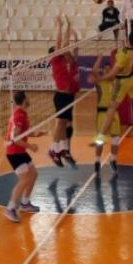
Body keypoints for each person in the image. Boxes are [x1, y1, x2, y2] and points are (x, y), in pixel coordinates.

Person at [91, 31, 133, 146]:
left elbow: (112, 75)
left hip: (121, 82)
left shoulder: (123, 55)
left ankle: (100, 137)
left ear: (128, 39)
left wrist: (100, 79)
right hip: (132, 79)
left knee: (111, 109)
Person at [4, 90, 45, 223]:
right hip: (14, 152)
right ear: (23, 100)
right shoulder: (18, 115)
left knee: (33, 174)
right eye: (27, 98)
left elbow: (22, 132)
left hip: (20, 151)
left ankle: (25, 203)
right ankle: (10, 208)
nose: (29, 99)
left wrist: (34, 134)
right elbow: (16, 138)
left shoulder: (22, 113)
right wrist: (30, 146)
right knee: (25, 179)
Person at [48, 16, 79, 167]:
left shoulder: (67, 61)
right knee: (60, 123)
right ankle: (53, 150)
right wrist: (61, 26)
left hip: (69, 96)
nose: (60, 49)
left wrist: (70, 26)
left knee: (67, 125)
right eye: (57, 49)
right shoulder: (55, 60)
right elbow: (61, 43)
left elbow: (66, 45)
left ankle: (65, 151)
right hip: (60, 96)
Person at [88, 54, 121, 174]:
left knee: (116, 138)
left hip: (114, 113)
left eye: (109, 70)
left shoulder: (116, 82)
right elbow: (94, 71)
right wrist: (100, 57)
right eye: (106, 70)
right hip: (102, 113)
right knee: (100, 139)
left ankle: (113, 159)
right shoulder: (100, 82)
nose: (108, 72)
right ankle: (97, 161)